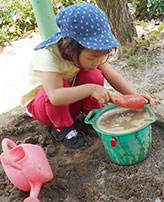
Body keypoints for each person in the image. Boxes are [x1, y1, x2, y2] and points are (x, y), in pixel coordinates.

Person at [20, 3, 154, 149]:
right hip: (45, 107)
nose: (97, 61)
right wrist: (90, 89)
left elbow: (112, 75)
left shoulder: (90, 53)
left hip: (70, 101)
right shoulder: (48, 56)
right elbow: (54, 96)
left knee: (93, 74)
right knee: (61, 86)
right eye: (92, 57)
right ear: (70, 48)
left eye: (102, 56)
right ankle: (62, 127)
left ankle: (90, 114)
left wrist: (135, 97)